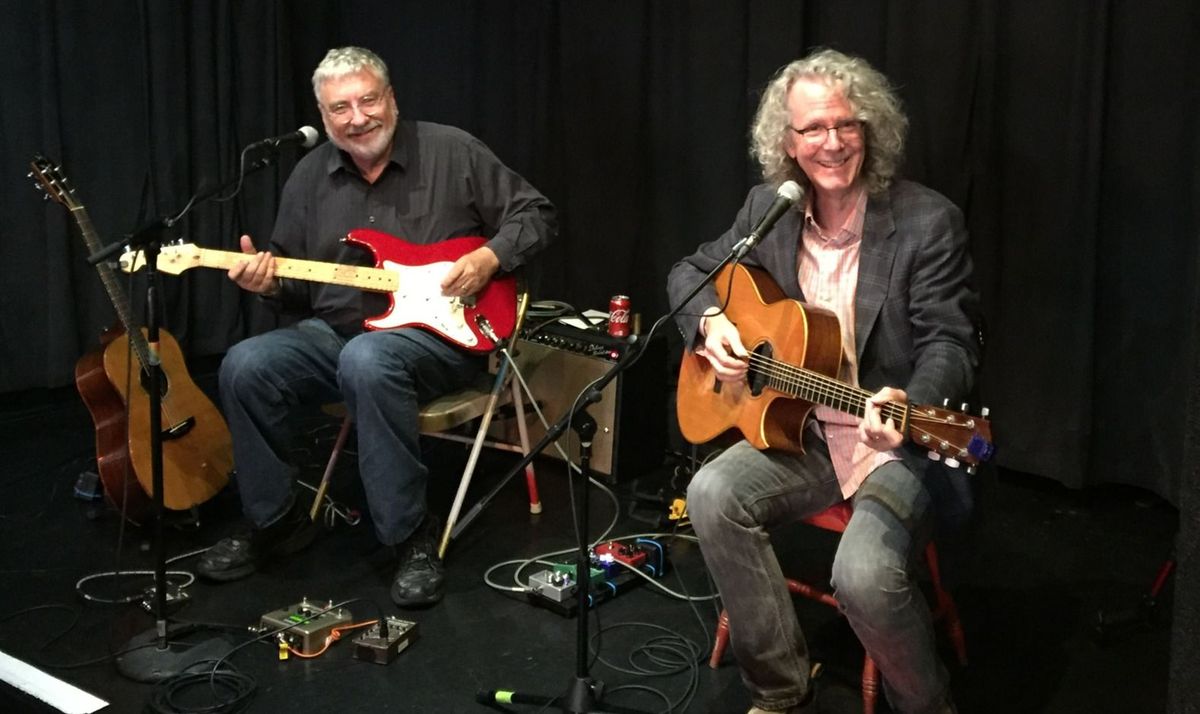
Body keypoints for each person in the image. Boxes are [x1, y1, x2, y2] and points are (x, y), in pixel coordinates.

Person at [666, 49, 979, 713]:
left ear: (872, 130)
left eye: (847, 124)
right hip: (804, 432)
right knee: (712, 492)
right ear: (787, 141)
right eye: (812, 129)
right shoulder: (767, 209)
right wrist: (712, 324)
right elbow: (689, 273)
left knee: (862, 573)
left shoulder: (927, 221)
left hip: (894, 441)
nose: (831, 143)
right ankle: (779, 687)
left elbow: (951, 340)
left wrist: (909, 401)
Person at [197, 46, 557, 608]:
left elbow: (535, 214)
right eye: (340, 108)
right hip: (335, 332)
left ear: (391, 99)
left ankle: (408, 537)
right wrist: (267, 284)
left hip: (439, 340)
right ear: (323, 117)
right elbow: (295, 288)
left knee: (368, 359)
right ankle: (277, 519)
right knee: (245, 363)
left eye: (368, 100)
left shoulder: (451, 150)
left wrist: (489, 259)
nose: (357, 117)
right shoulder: (308, 176)